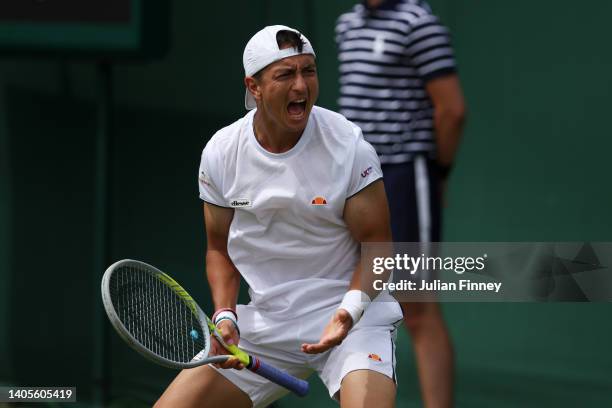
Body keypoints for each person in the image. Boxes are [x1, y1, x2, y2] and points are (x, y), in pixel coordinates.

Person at [155, 25, 403, 408]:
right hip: (266, 325)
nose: (301, 86)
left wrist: (348, 312)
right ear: (253, 87)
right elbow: (219, 249)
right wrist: (226, 316)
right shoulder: (222, 153)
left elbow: (379, 248)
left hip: (353, 316)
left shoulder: (349, 148)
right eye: (286, 75)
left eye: (309, 71)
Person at [336, 1, 466, 407]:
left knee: (417, 305)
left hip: (405, 176)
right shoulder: (347, 25)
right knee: (349, 296)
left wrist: (437, 174)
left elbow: (452, 110)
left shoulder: (418, 22)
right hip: (352, 177)